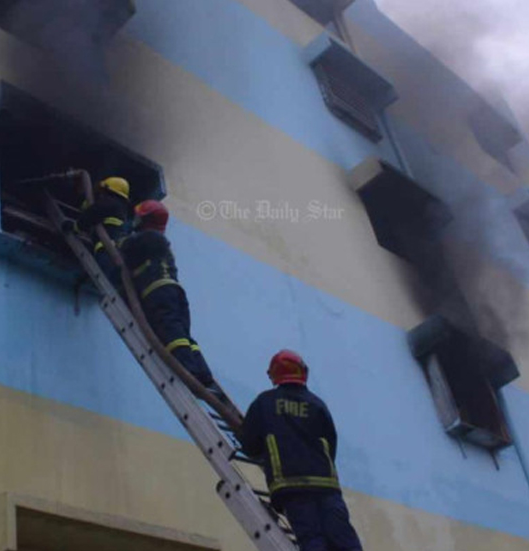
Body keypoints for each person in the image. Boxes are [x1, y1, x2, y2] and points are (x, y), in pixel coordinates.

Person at [239, 350, 363, 551]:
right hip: (326, 486)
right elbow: (331, 445)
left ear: (274, 375)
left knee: (312, 538)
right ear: (302, 372)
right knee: (343, 539)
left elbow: (250, 445)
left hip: (291, 486)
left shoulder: (265, 402)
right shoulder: (317, 404)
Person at [120, 199, 218, 390]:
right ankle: (204, 375)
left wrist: (120, 235)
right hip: (174, 293)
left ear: (145, 220)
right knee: (184, 337)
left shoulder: (148, 237)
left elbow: (124, 246)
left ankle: (188, 370)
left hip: (158, 292)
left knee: (171, 333)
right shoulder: (160, 242)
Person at [76, 176, 131, 287]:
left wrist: (75, 227)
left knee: (98, 275)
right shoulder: (121, 210)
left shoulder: (110, 203)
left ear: (109, 191)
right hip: (116, 254)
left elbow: (92, 213)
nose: (100, 195)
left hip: (106, 251)